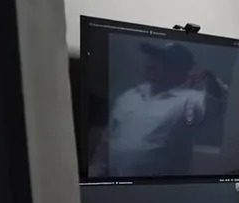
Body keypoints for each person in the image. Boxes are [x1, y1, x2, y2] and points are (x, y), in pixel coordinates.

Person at [88, 42, 226, 177]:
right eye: (151, 58)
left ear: (181, 70)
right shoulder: (130, 95)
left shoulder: (191, 100)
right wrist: (96, 165)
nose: (151, 64)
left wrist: (210, 79)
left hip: (159, 187)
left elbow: (215, 105)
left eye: (161, 61)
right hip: (115, 182)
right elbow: (109, 136)